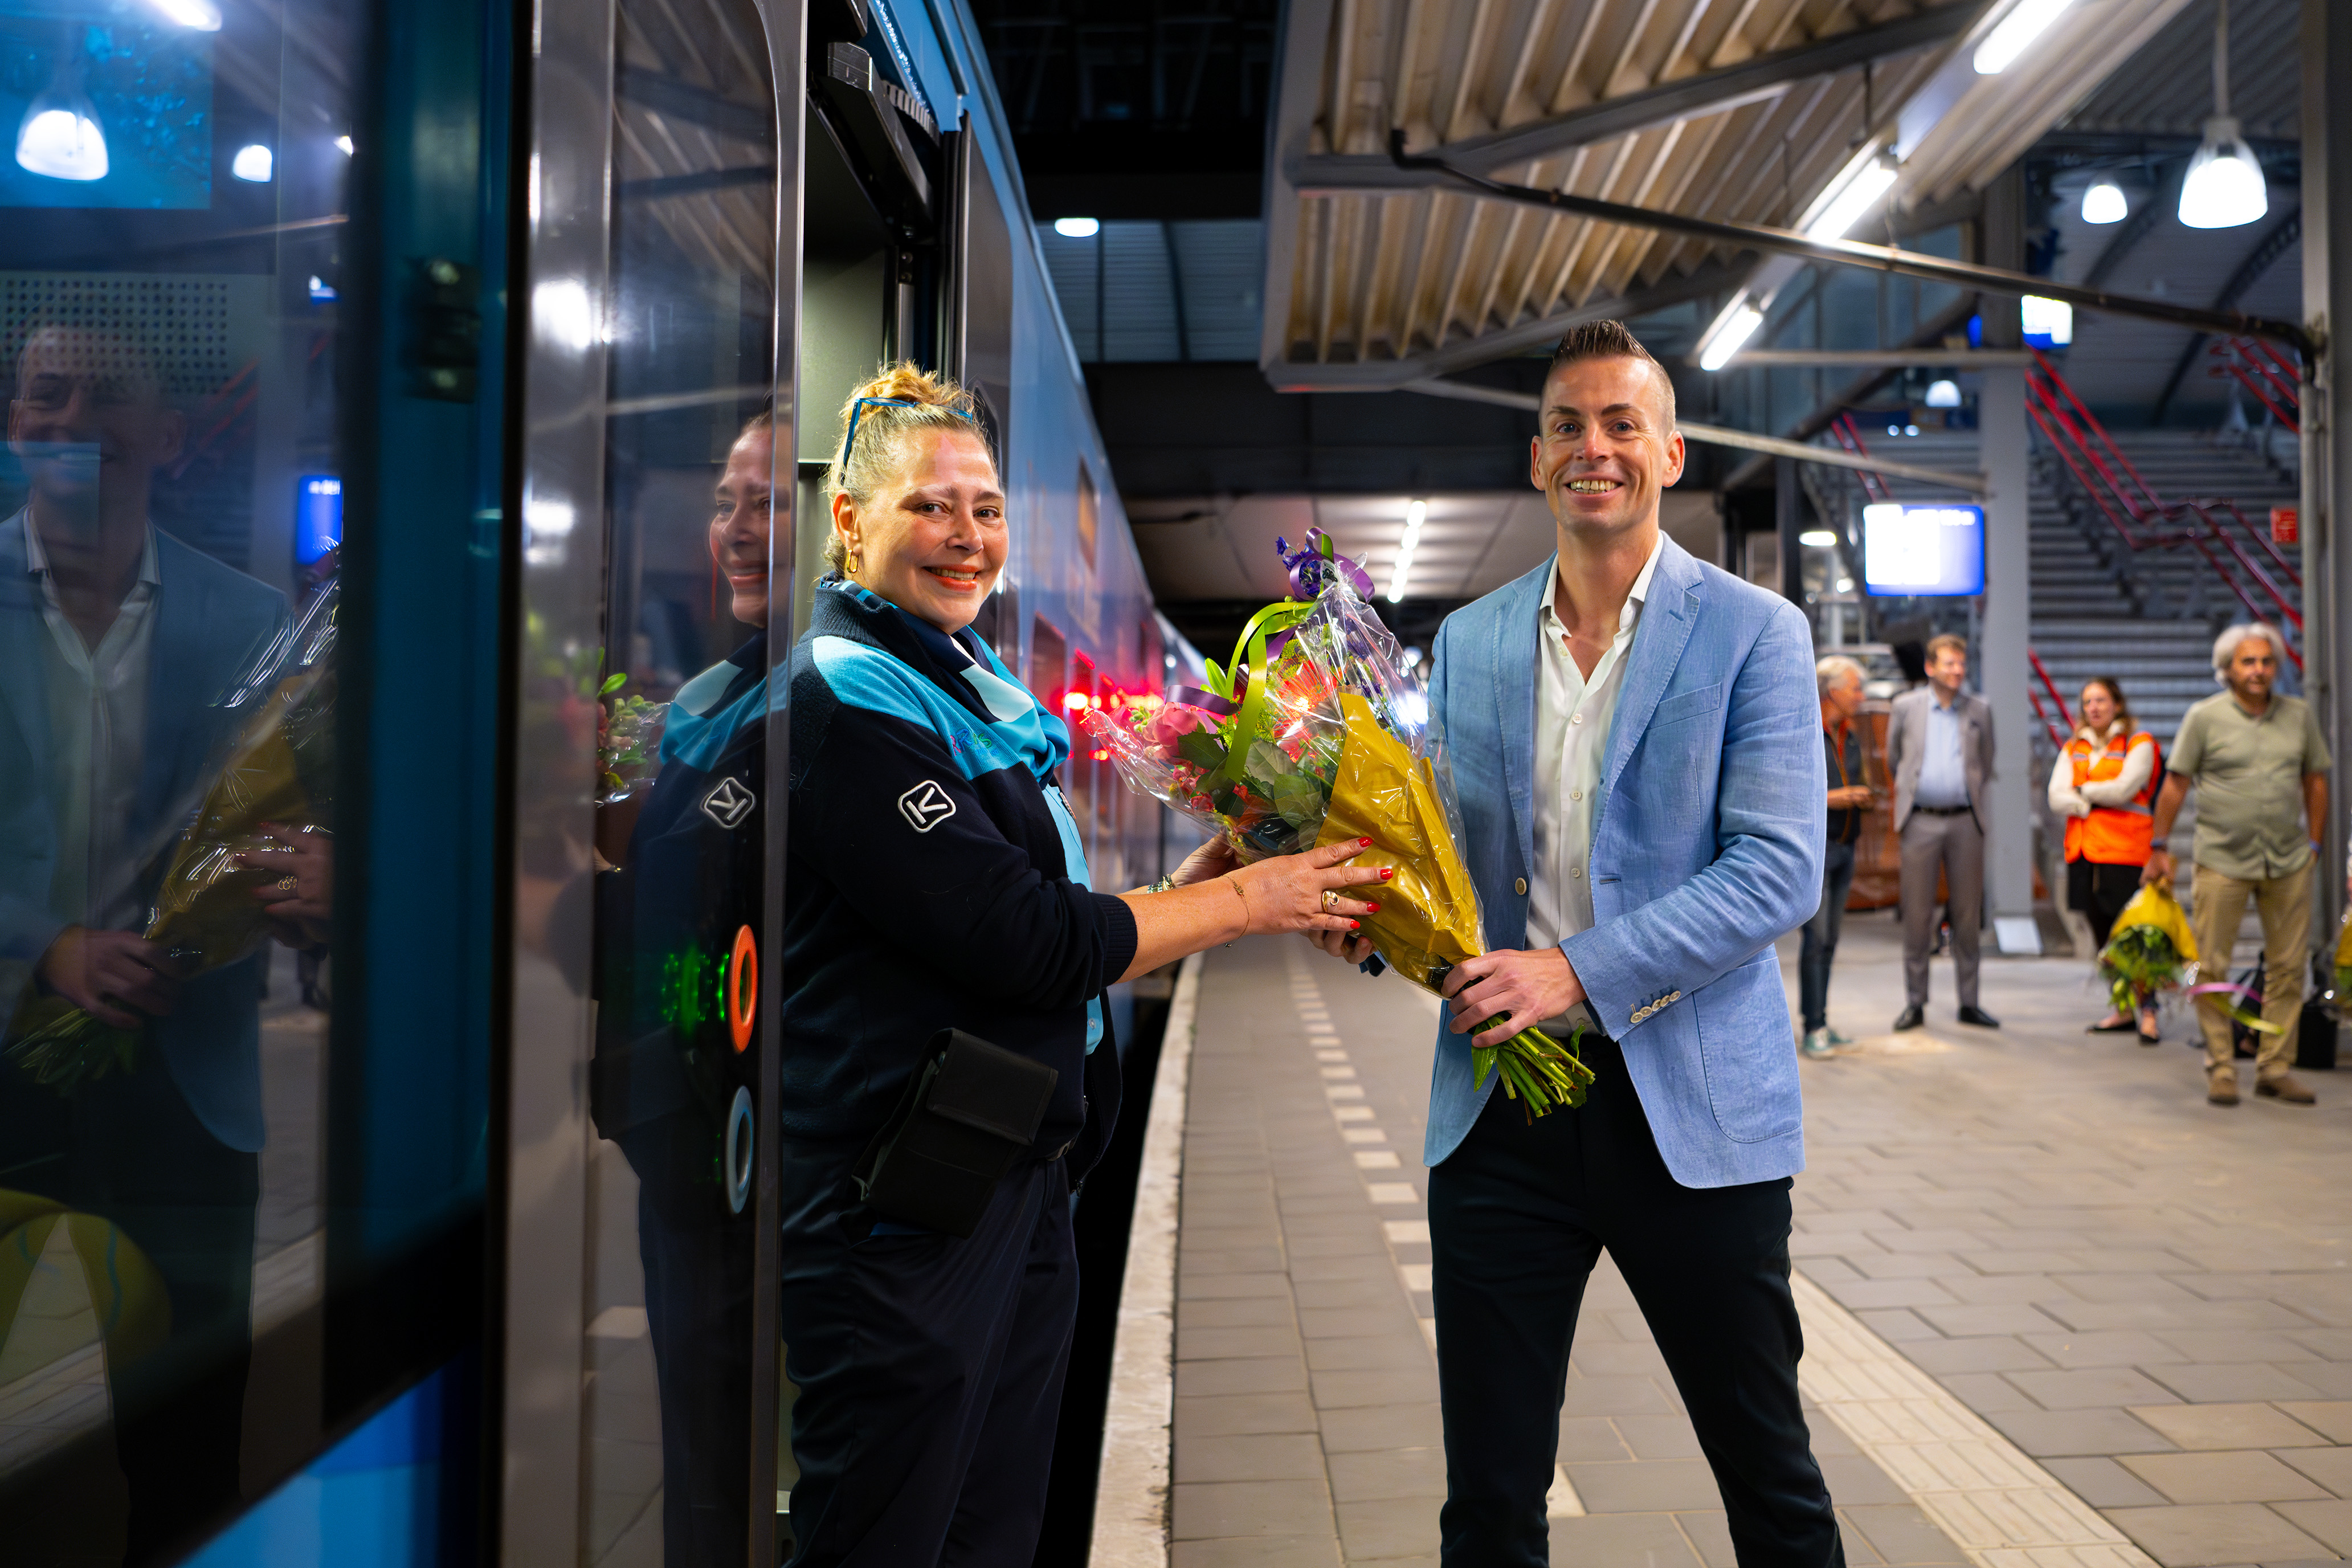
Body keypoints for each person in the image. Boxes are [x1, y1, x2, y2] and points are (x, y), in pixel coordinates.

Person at [773, 365, 1383, 1566]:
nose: (967, 535)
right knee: (884, 1539)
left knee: (990, 1531)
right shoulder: (849, 699)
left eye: (986, 508)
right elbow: (1024, 936)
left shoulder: (961, 683)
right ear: (849, 519)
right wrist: (1246, 903)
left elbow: (1042, 914)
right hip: (903, 1205)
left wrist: (1212, 870)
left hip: (1002, 1172)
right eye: (930, 506)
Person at [1314, 321, 1843, 1566]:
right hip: (1501, 1108)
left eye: (1619, 423)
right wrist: (1378, 914)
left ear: (1669, 452)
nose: (1591, 447)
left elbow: (1778, 868)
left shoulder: (1755, 631)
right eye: (1566, 425)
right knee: (1490, 1497)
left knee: (1767, 1473)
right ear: (1536, 455)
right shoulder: (1475, 638)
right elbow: (1451, 846)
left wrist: (1575, 971)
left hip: (1693, 1115)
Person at [0, 322, 288, 1557]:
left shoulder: (253, 618)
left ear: (169, 438)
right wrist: (47, 944)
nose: (72, 419)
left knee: (187, 1436)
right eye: (47, 393)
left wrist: (298, 882)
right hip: (5, 1064)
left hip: (184, 1078)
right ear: (15, 422)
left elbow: (285, 820)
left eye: (106, 395)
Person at [578, 410, 775, 1566]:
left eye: (768, 502)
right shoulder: (710, 700)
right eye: (724, 501)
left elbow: (716, 921)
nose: (736, 529)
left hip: (744, 1162)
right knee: (702, 1467)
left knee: (725, 1485)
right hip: (690, 1145)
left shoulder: (829, 701)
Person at [2144, 623, 2328, 1106]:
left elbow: (2315, 780)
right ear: (2227, 669)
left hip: (2288, 860)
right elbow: (2175, 785)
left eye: (2266, 662)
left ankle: (2275, 1068)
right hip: (2222, 860)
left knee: (2288, 969)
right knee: (2213, 967)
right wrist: (2159, 845)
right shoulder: (2204, 718)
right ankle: (2221, 1068)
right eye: (2248, 662)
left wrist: (2313, 844)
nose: (2259, 671)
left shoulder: (2298, 716)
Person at [1886, 634, 1999, 1031]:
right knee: (1917, 915)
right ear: (1930, 667)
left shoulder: (1979, 710)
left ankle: (1970, 1002)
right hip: (1920, 821)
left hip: (1966, 822)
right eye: (1949, 664)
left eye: (1961, 664)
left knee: (1967, 915)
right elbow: (1895, 758)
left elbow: (1986, 761)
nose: (1957, 671)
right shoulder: (1906, 707)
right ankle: (1915, 1003)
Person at [2047, 678, 2161, 1042]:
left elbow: (2125, 789)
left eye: (2101, 700)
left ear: (2117, 704)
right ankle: (2123, 1007)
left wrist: (2080, 791)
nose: (2093, 708)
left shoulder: (2138, 743)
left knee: (2136, 935)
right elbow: (2055, 797)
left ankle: (2149, 1010)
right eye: (2087, 702)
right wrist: (2089, 802)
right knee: (2102, 935)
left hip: (2126, 853)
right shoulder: (2074, 747)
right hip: (2084, 853)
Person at [1802, 655, 1871, 1059]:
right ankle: (1813, 1027)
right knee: (1817, 939)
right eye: (1855, 689)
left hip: (1845, 847)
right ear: (1833, 691)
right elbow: (1791, 792)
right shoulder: (1806, 731)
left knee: (1830, 941)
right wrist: (1833, 799)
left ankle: (1822, 1021)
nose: (1861, 697)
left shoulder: (1850, 736)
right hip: (1818, 851)